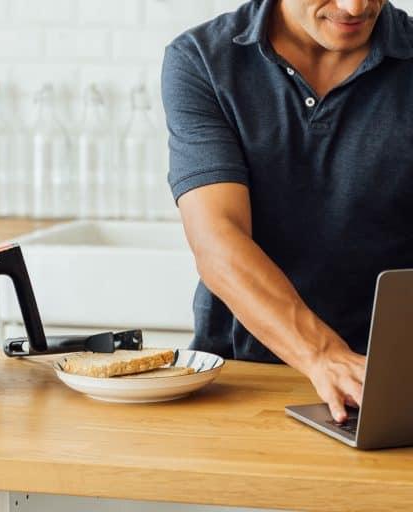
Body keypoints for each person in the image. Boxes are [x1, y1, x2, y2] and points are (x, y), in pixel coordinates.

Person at [161, 0, 413, 423]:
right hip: (242, 379)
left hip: (388, 387)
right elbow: (216, 237)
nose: (355, 7)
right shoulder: (202, 59)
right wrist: (323, 355)